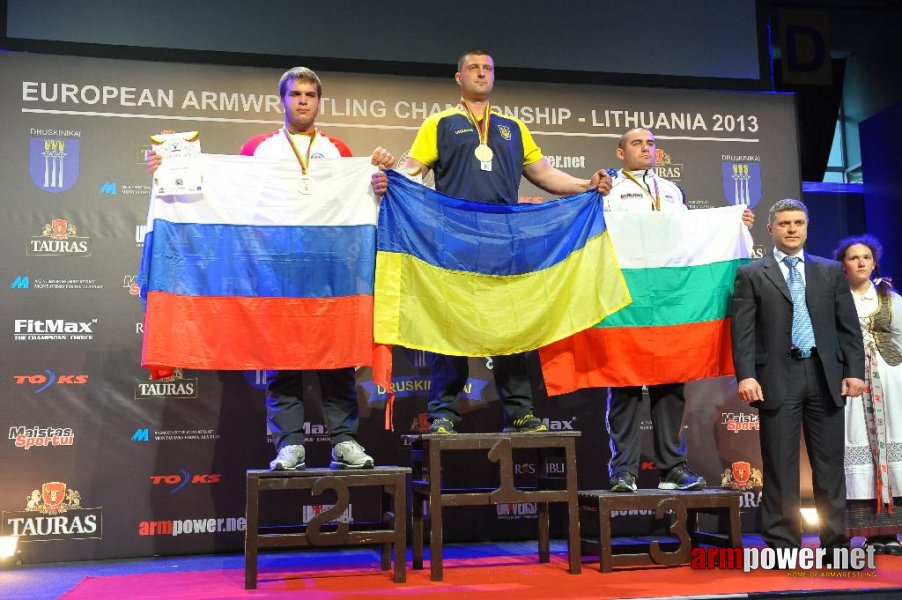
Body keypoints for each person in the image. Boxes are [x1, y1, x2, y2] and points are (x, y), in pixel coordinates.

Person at [148, 66, 394, 470]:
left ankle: (345, 442)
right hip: (274, 268)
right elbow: (221, 191)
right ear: (281, 100)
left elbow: (362, 202)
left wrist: (378, 182)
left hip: (328, 269)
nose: (302, 101)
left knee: (337, 358)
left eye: (310, 95)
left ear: (319, 102)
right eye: (295, 94)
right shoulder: (258, 147)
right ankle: (290, 444)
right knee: (282, 359)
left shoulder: (339, 151)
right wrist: (166, 170)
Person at [374, 48, 612, 435]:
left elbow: (543, 174)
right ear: (459, 78)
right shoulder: (440, 123)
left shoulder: (513, 127)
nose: (481, 74)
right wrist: (391, 181)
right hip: (453, 242)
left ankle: (519, 413)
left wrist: (586, 185)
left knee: (512, 326)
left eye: (487, 69)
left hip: (505, 241)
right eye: (473, 68)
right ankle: (443, 415)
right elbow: (411, 170)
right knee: (447, 328)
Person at [604, 128, 755, 493]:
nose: (646, 148)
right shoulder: (608, 188)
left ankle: (672, 468)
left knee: (670, 388)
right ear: (621, 153)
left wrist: (732, 225)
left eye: (651, 143)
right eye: (637, 143)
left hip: (669, 300)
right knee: (624, 386)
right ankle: (622, 471)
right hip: (626, 298)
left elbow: (691, 237)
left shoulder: (671, 191)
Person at [730, 198, 865, 551]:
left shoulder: (830, 271)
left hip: (825, 376)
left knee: (830, 465)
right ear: (771, 228)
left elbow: (848, 328)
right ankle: (781, 543)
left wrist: (854, 371)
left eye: (799, 223)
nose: (792, 229)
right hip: (777, 377)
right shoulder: (751, 274)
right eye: (785, 223)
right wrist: (746, 375)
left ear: (807, 227)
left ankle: (836, 543)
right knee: (779, 465)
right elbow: (742, 332)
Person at [834, 235, 902, 555]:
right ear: (843, 265)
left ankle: (887, 533)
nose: (861, 262)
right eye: (853, 257)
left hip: (888, 382)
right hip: (850, 382)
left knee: (890, 447)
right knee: (855, 444)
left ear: (874, 263)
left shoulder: (889, 299)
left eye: (866, 257)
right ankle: (855, 530)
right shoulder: (835, 298)